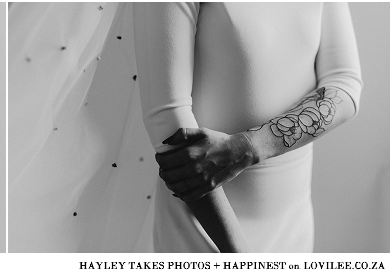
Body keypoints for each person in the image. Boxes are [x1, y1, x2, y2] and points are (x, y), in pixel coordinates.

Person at [133, 2, 362, 252]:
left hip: (292, 220)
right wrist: (239, 254)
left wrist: (250, 146)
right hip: (206, 225)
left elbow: (345, 82)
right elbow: (168, 122)